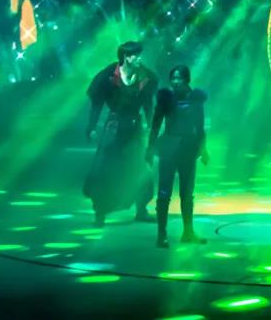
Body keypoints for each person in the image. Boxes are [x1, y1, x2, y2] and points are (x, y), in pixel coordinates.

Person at [84, 41, 157, 227]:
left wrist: (151, 125)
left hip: (134, 128)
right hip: (114, 127)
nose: (139, 58)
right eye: (136, 55)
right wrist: (91, 126)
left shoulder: (145, 76)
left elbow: (148, 104)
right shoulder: (108, 76)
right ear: (126, 57)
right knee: (105, 170)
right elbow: (96, 104)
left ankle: (141, 210)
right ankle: (100, 213)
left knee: (141, 168)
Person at [147, 65, 209, 247]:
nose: (175, 81)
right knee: (164, 192)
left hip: (188, 149)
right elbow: (155, 125)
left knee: (187, 193)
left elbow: (200, 128)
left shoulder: (196, 100)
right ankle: (161, 235)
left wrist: (203, 150)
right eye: (173, 78)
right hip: (168, 148)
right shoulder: (166, 99)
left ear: (186, 79)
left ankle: (188, 232)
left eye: (179, 78)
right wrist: (150, 148)